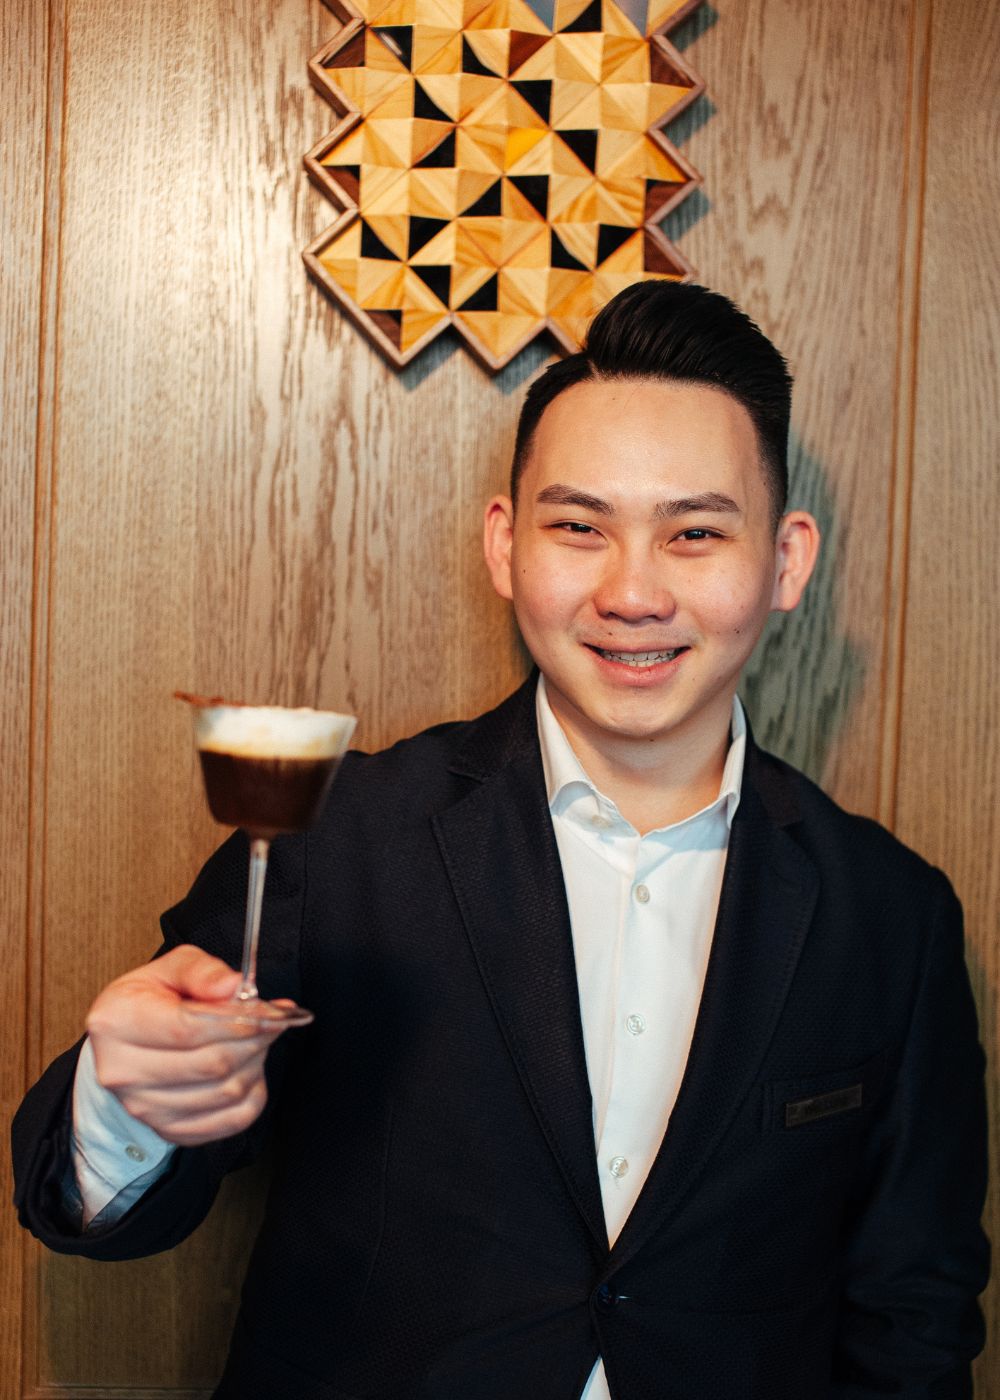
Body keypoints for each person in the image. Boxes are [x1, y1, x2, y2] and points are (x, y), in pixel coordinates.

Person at [13, 281, 989, 1399]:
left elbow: (914, 1316)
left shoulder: (891, 914)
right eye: (579, 527)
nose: (632, 591)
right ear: (504, 543)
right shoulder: (335, 837)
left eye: (695, 533)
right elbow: (96, 1199)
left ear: (785, 562)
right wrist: (129, 1098)